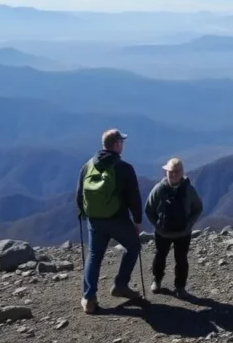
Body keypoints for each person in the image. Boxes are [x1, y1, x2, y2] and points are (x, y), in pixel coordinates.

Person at [76, 128, 144, 314]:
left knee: (94, 255)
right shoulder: (124, 168)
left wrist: (85, 213)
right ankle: (120, 285)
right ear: (117, 145)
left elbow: (79, 193)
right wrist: (137, 221)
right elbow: (134, 197)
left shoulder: (88, 165)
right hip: (117, 219)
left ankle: (89, 299)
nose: (123, 144)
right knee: (134, 246)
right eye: (121, 142)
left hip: (95, 220)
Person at [145, 157, 203, 298]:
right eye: (171, 172)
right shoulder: (159, 189)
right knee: (160, 256)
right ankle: (157, 280)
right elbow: (149, 209)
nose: (173, 174)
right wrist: (158, 226)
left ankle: (180, 286)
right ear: (166, 172)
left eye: (176, 171)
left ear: (182, 172)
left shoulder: (188, 190)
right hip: (163, 233)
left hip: (182, 233)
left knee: (181, 259)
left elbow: (198, 208)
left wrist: (189, 225)